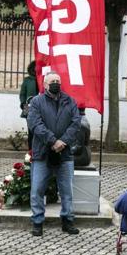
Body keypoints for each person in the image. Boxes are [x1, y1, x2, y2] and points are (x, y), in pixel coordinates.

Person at [27, 71, 81, 236]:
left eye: (58, 80)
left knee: (67, 191)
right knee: (37, 189)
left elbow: (76, 123)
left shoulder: (69, 101)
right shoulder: (36, 102)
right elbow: (35, 124)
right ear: (44, 85)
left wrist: (63, 141)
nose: (56, 83)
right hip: (42, 153)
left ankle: (67, 221)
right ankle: (37, 222)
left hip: (65, 154)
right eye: (52, 81)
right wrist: (52, 141)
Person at [19, 61, 38, 149]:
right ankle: (30, 150)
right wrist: (23, 103)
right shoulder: (27, 80)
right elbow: (22, 93)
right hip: (27, 106)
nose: (36, 69)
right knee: (30, 129)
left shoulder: (43, 79)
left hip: (40, 107)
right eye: (34, 67)